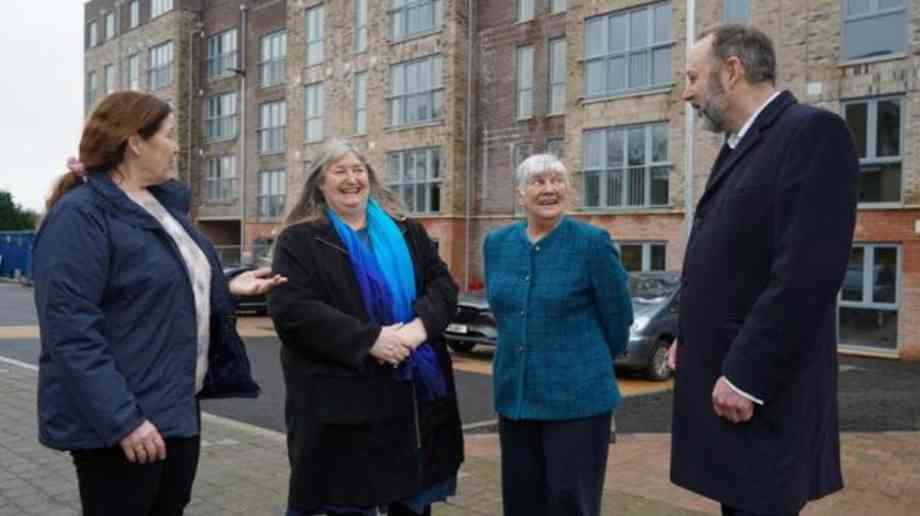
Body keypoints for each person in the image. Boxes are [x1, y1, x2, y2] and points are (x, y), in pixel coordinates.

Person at [32, 91, 286, 516]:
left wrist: (226, 286)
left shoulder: (159, 207)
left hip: (175, 408)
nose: (176, 146)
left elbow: (161, 282)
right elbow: (71, 333)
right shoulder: (81, 215)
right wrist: (124, 420)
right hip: (121, 423)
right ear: (135, 142)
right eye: (168, 135)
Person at [669, 25, 858, 516]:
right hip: (731, 398)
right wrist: (689, 337)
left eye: (693, 76)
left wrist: (747, 375)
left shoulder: (811, 133)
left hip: (764, 399)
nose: (686, 92)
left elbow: (806, 274)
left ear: (731, 70)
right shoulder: (739, 146)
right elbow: (732, 263)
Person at [268, 139, 464, 516]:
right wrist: (370, 340)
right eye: (339, 171)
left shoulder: (406, 231)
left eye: (358, 170)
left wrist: (416, 331)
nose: (351, 179)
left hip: (412, 403)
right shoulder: (300, 240)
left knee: (409, 498)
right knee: (347, 501)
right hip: (341, 403)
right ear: (319, 184)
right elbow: (292, 309)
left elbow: (443, 286)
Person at [483, 154, 633, 516]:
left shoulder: (592, 243)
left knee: (570, 504)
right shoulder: (496, 244)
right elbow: (503, 312)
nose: (549, 189)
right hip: (516, 399)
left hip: (578, 402)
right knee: (521, 502)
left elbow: (618, 317)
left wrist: (585, 364)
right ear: (520, 194)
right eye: (538, 181)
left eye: (557, 181)